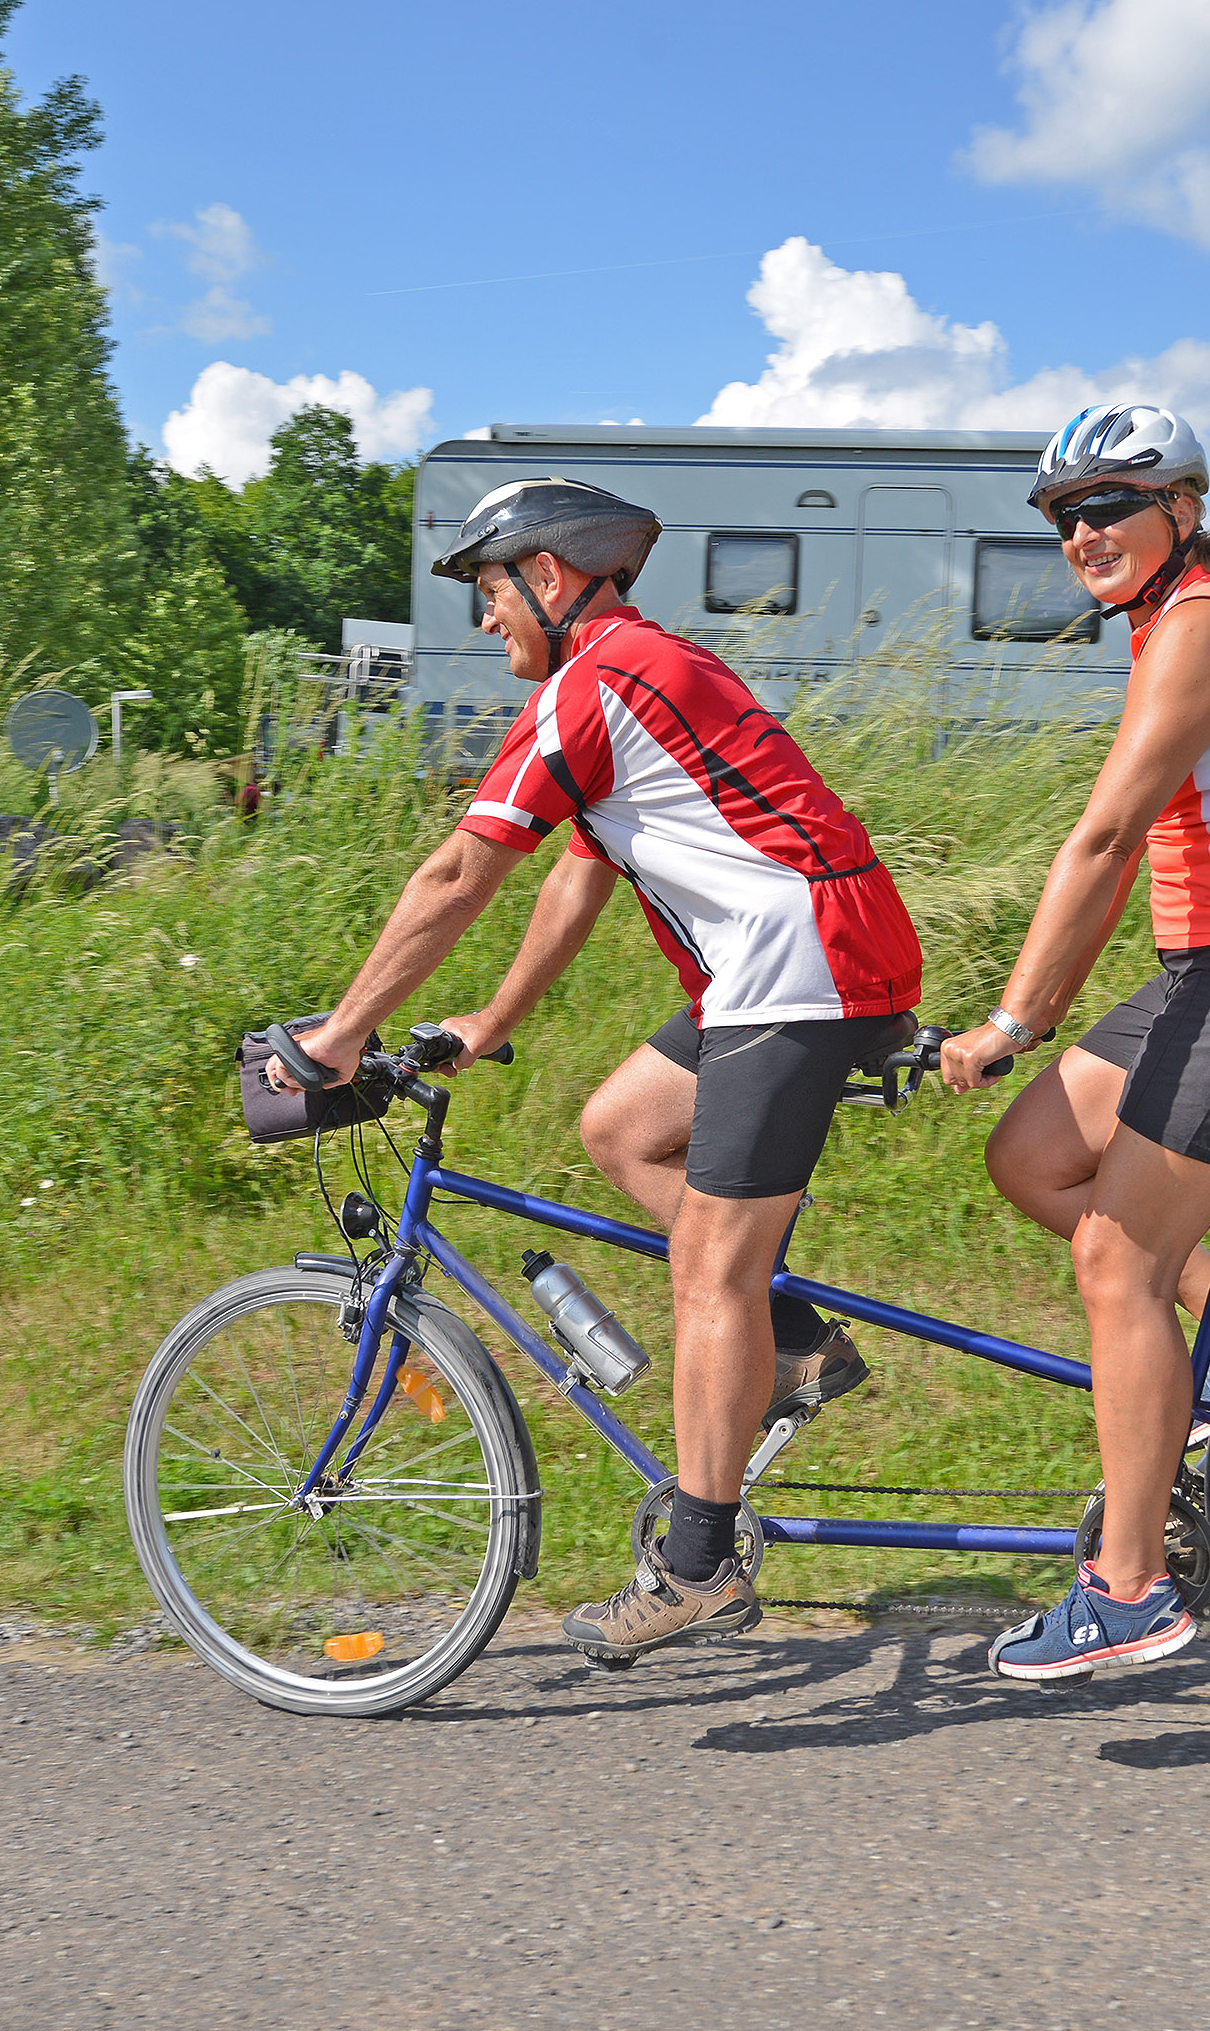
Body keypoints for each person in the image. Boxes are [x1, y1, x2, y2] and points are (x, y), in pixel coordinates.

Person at [271, 477, 924, 1660]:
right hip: (791, 969)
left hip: (801, 970)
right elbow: (580, 871)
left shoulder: (599, 680)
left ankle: (699, 1564)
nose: (485, 623)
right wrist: (490, 1013)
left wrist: (337, 1039)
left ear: (551, 578)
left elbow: (457, 876)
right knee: (622, 1128)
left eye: (489, 593)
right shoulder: (632, 673)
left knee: (704, 1273)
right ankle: (796, 1339)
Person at [939, 404, 1210, 1682]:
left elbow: (1103, 835)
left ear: (1181, 510)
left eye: (1110, 506)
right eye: (1063, 517)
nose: (1083, 534)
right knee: (1034, 1160)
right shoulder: (1162, 622)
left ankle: (1130, 1591)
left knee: (1116, 1262)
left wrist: (1015, 1021)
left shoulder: (1199, 622)